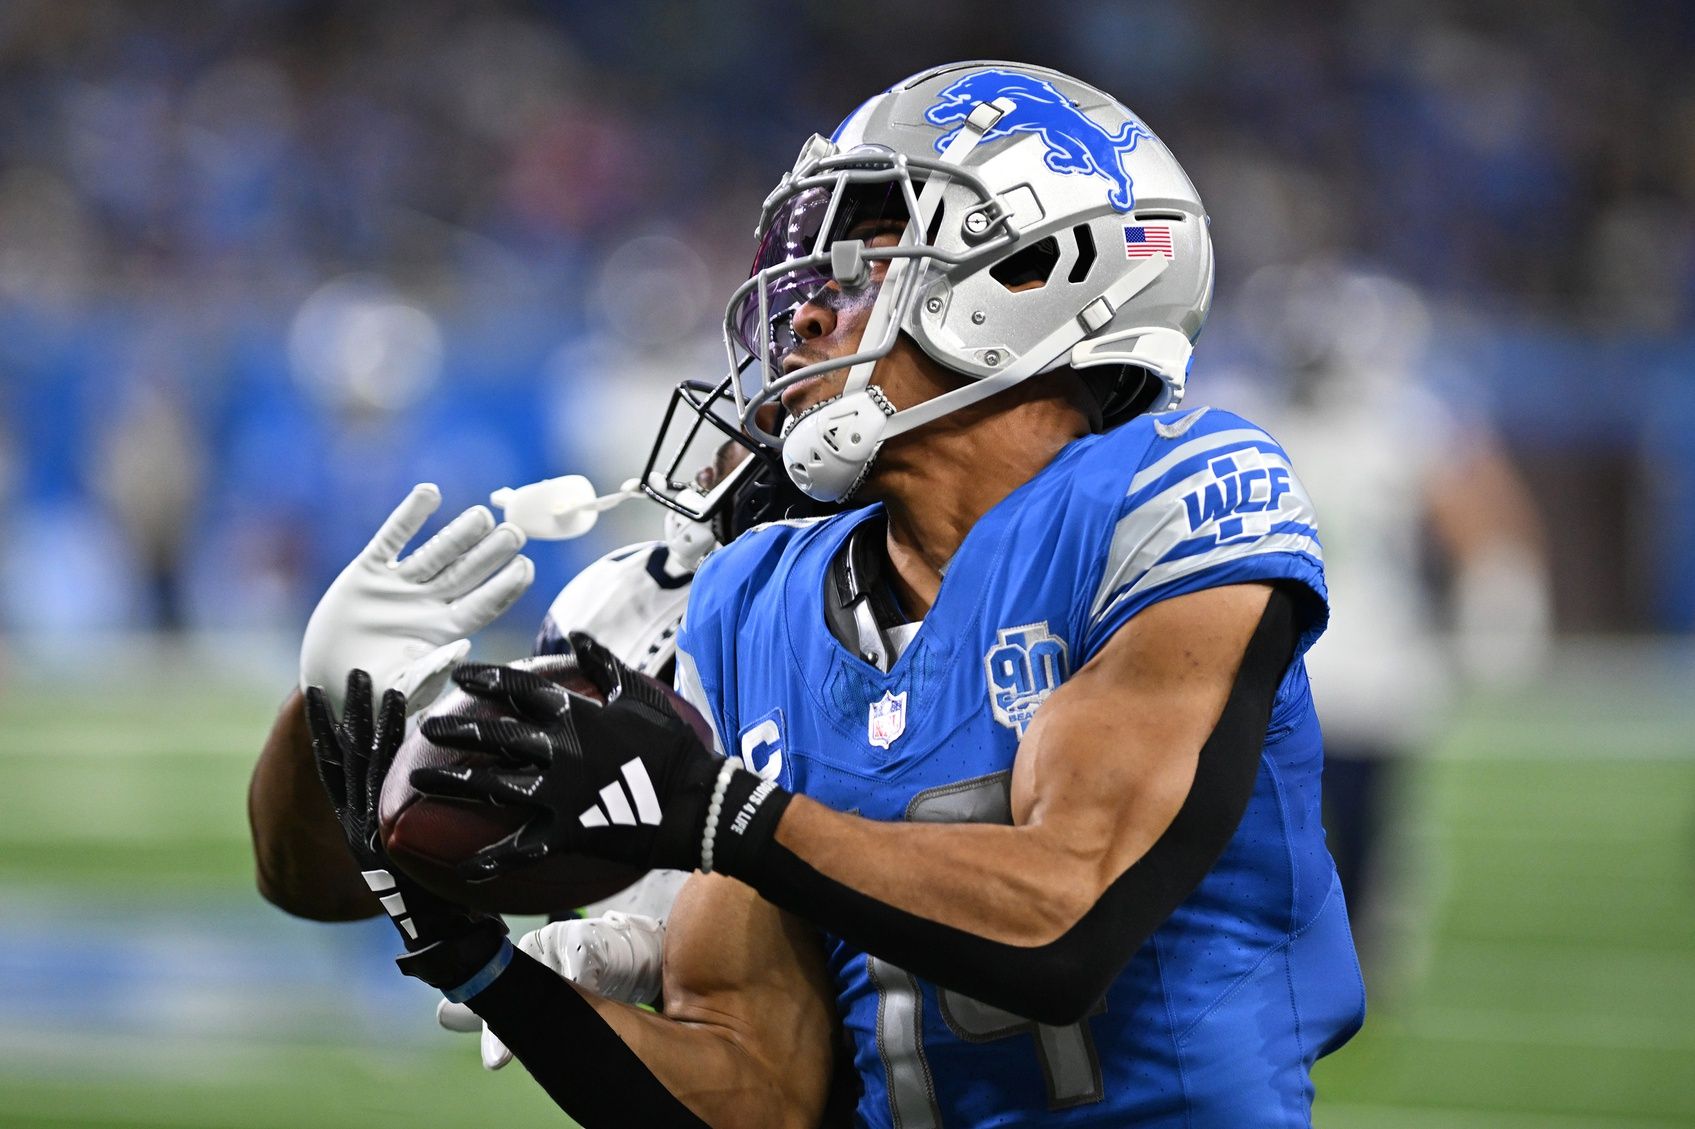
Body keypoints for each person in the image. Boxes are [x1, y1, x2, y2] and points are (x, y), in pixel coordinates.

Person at [310, 61, 1365, 1128]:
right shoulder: (753, 598)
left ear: (1033, 269)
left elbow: (1064, 918)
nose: (804, 314)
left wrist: (719, 812)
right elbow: (755, 1094)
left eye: (862, 264)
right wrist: (477, 962)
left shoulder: (1169, 491)